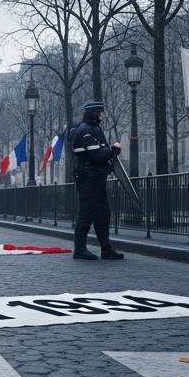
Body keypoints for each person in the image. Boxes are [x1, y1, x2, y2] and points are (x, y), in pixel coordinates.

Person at [69, 100, 124, 260]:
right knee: (86, 214)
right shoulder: (85, 131)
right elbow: (97, 155)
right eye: (100, 113)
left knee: (102, 214)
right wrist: (113, 150)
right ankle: (79, 249)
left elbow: (100, 153)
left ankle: (105, 248)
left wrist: (111, 152)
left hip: (96, 178)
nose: (102, 116)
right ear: (94, 114)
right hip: (89, 178)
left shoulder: (91, 129)